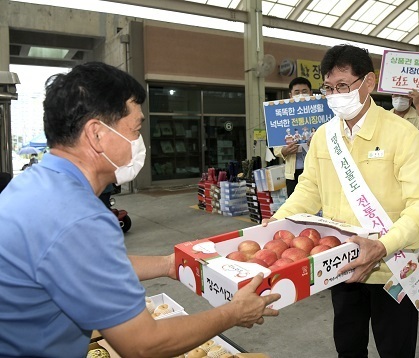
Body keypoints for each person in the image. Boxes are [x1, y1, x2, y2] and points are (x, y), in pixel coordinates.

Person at [0, 62, 280, 357]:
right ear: (96, 135)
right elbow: (143, 344)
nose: (139, 143)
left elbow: (90, 262)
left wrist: (168, 265)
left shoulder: (35, 185)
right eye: (134, 130)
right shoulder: (79, 217)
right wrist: (234, 313)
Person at [266, 45, 419, 357]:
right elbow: (308, 190)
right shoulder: (324, 135)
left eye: (343, 86)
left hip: (393, 265)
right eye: (329, 88)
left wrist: (385, 245)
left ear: (369, 83)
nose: (335, 95)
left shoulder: (402, 134)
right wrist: (278, 222)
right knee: (348, 346)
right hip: (341, 264)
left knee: (396, 348)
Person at [274, 77, 313, 197]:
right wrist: (284, 151)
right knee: (295, 209)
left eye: (304, 91)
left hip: (315, 171)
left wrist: (317, 142)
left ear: (311, 93)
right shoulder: (283, 118)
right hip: (293, 173)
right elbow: (276, 149)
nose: (301, 94)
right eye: (297, 92)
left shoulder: (319, 115)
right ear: (290, 95)